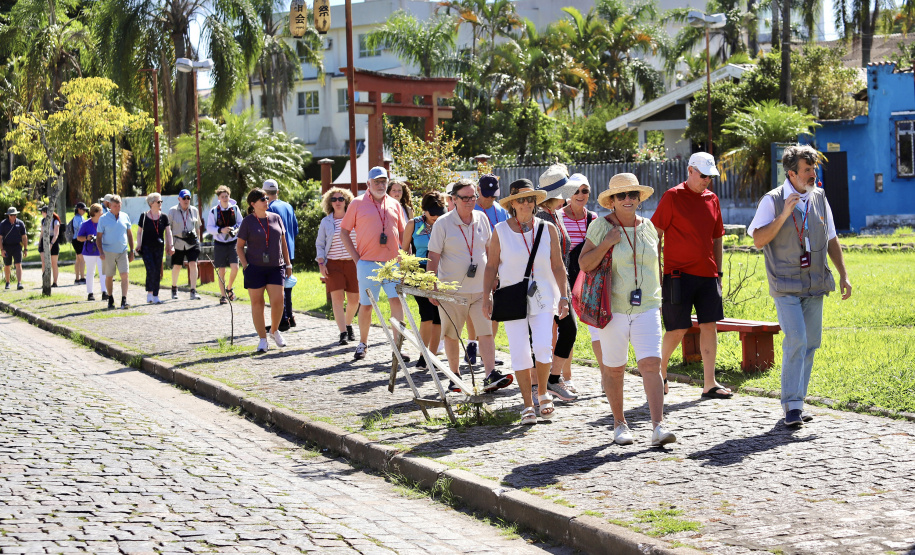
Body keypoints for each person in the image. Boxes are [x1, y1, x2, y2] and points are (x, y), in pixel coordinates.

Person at [747, 144, 852, 427]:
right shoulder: (772, 200)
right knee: (796, 339)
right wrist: (783, 215)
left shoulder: (819, 197)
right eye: (807, 170)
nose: (813, 174)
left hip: (815, 283)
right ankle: (791, 406)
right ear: (792, 173)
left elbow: (831, 238)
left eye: (814, 168)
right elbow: (757, 240)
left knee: (811, 343)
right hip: (785, 285)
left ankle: (798, 402)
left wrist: (843, 274)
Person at [579, 173, 675, 446]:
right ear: (612, 201)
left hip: (647, 307)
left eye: (633, 194)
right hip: (614, 309)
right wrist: (608, 242)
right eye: (621, 195)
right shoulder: (600, 226)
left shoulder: (648, 227)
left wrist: (659, 301)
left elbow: (655, 267)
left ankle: (658, 426)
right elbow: (585, 264)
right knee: (614, 369)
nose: (628, 199)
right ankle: (619, 424)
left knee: (651, 364)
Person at [483, 179, 569, 424]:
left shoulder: (547, 228)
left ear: (535, 202)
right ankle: (527, 404)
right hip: (512, 297)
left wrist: (564, 296)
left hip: (543, 295)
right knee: (520, 351)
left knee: (543, 347)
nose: (525, 203)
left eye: (530, 198)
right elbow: (490, 266)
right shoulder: (500, 230)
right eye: (520, 199)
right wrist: (487, 295)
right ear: (512, 203)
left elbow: (558, 266)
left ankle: (542, 392)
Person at [652, 152, 732, 399]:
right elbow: (656, 235)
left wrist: (718, 271)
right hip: (677, 275)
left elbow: (717, 236)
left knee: (710, 326)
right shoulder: (672, 196)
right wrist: (657, 273)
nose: (707, 180)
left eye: (710, 176)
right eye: (703, 175)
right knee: (677, 328)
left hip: (708, 275)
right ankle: (659, 372)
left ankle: (710, 383)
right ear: (690, 170)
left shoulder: (712, 199)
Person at [429, 180, 512, 392]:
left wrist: (494, 278)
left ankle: (490, 374)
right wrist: (432, 285)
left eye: (473, 197)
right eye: (464, 197)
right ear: (453, 199)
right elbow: (434, 255)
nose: (469, 201)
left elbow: (489, 250)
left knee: (485, 332)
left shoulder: (481, 218)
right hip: (451, 291)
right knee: (451, 333)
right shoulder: (443, 223)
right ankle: (454, 375)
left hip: (480, 290)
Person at [340, 166, 408, 361]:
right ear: (368, 184)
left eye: (384, 181)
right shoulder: (357, 203)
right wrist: (356, 257)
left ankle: (398, 346)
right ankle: (363, 343)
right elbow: (344, 231)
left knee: (396, 301)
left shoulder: (394, 204)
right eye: (376, 181)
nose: (381, 185)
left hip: (393, 263)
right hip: (367, 263)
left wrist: (403, 254)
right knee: (367, 304)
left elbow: (402, 231)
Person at [534, 165, 581, 402]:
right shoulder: (541, 217)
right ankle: (539, 387)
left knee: (568, 329)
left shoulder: (555, 215)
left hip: (561, 283)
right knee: (542, 335)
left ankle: (552, 379)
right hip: (545, 285)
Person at [237, 187, 293, 352]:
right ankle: (262, 339)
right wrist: (246, 265)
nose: (266, 201)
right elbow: (239, 246)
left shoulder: (276, 218)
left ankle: (274, 331)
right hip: (255, 268)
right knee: (257, 303)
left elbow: (283, 243)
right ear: (253, 204)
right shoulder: (248, 221)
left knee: (278, 301)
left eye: (267, 198)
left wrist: (288, 264)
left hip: (276, 267)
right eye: (262, 199)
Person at [563, 173, 598, 394]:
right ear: (567, 193)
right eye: (576, 190)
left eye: (584, 190)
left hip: (589, 280)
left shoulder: (593, 218)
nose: (580, 194)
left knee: (598, 329)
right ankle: (565, 377)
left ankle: (607, 374)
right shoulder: (557, 217)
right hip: (565, 278)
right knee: (567, 330)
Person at [402, 192, 445, 368]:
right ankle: (422, 354)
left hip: (441, 271)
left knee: (438, 317)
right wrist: (403, 274)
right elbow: (404, 250)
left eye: (439, 212)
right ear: (424, 210)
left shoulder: (444, 223)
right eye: (432, 213)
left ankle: (432, 356)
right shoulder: (414, 224)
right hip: (419, 271)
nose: (436, 216)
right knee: (426, 314)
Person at [316, 187, 359, 345]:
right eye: (334, 199)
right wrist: (321, 263)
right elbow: (320, 244)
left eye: (341, 199)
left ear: (347, 201)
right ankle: (342, 333)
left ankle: (348, 325)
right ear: (329, 203)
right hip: (333, 264)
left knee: (354, 300)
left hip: (353, 263)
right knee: (337, 299)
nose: (337, 202)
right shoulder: (326, 221)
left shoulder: (355, 218)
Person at [265, 179, 300, 330]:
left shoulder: (269, 208)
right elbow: (296, 229)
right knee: (288, 285)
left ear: (264, 194)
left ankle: (282, 320)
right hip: (290, 250)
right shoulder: (288, 206)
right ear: (277, 191)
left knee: (277, 288)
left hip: (277, 252)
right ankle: (290, 316)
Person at [95, 195, 135, 310]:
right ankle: (110, 298)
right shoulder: (103, 218)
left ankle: (124, 299)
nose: (117, 208)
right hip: (108, 251)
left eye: (119, 206)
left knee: (125, 274)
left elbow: (129, 234)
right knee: (109, 276)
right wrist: (101, 252)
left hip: (123, 251)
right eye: (114, 206)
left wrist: (132, 250)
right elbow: (98, 237)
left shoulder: (125, 216)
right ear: (110, 206)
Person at [206, 186, 244, 304]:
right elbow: (209, 228)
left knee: (235, 267)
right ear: (219, 198)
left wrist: (235, 230)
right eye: (222, 197)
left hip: (233, 242)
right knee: (221, 270)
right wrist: (220, 230)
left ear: (229, 196)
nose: (225, 198)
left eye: (226, 196)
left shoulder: (235, 209)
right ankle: (223, 296)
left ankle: (229, 287)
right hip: (220, 243)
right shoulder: (214, 211)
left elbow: (241, 222)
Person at [135, 192, 172, 304]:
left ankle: (156, 295)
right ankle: (149, 293)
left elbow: (168, 232)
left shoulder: (164, 217)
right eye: (158, 201)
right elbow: (139, 232)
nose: (161, 203)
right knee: (150, 269)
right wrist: (139, 244)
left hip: (159, 247)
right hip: (146, 247)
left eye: (161, 201)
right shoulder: (144, 216)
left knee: (157, 271)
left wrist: (170, 245)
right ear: (151, 203)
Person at [168, 189, 201, 300]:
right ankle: (174, 287)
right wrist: (169, 244)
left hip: (192, 242)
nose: (186, 200)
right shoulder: (172, 211)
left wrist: (199, 241)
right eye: (184, 198)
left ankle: (193, 290)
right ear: (179, 199)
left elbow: (197, 227)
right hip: (178, 242)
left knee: (193, 264)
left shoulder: (194, 210)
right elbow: (168, 230)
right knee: (177, 266)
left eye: (188, 198)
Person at [77, 204, 108, 301]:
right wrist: (87, 238)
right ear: (95, 212)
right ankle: (90, 293)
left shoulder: (103, 223)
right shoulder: (85, 224)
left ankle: (104, 292)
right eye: (100, 211)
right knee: (90, 272)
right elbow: (79, 237)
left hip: (101, 251)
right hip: (89, 252)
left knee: (103, 272)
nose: (102, 213)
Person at [1, 206, 28, 290]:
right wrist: (2, 249)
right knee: (7, 265)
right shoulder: (3, 224)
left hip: (17, 246)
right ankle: (7, 282)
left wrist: (25, 249)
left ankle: (19, 283)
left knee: (18, 264)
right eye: (12, 215)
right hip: (7, 246)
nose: (14, 216)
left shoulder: (20, 223)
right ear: (9, 215)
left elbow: (24, 237)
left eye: (15, 215)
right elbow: (0, 238)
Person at [38, 206, 61, 287]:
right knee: (44, 262)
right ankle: (45, 281)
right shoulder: (43, 221)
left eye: (42, 212)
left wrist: (51, 243)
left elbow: (56, 234)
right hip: (44, 240)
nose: (41, 213)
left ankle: (55, 282)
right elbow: (42, 233)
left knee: (54, 263)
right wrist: (39, 243)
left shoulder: (55, 221)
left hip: (53, 241)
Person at [69, 203, 87, 285]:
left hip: (77, 240)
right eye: (83, 209)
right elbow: (81, 227)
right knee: (82, 259)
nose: (84, 211)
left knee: (78, 260)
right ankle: (82, 278)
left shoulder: (81, 217)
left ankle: (77, 279)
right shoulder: (77, 218)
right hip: (77, 240)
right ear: (79, 209)